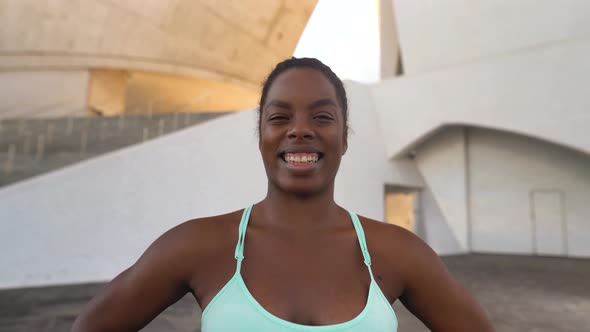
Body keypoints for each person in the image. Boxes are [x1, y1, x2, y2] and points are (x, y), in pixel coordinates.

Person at [72, 57, 494, 331]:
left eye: (322, 116)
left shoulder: (395, 252)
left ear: (344, 138)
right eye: (279, 117)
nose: (299, 129)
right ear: (261, 136)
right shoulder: (200, 245)